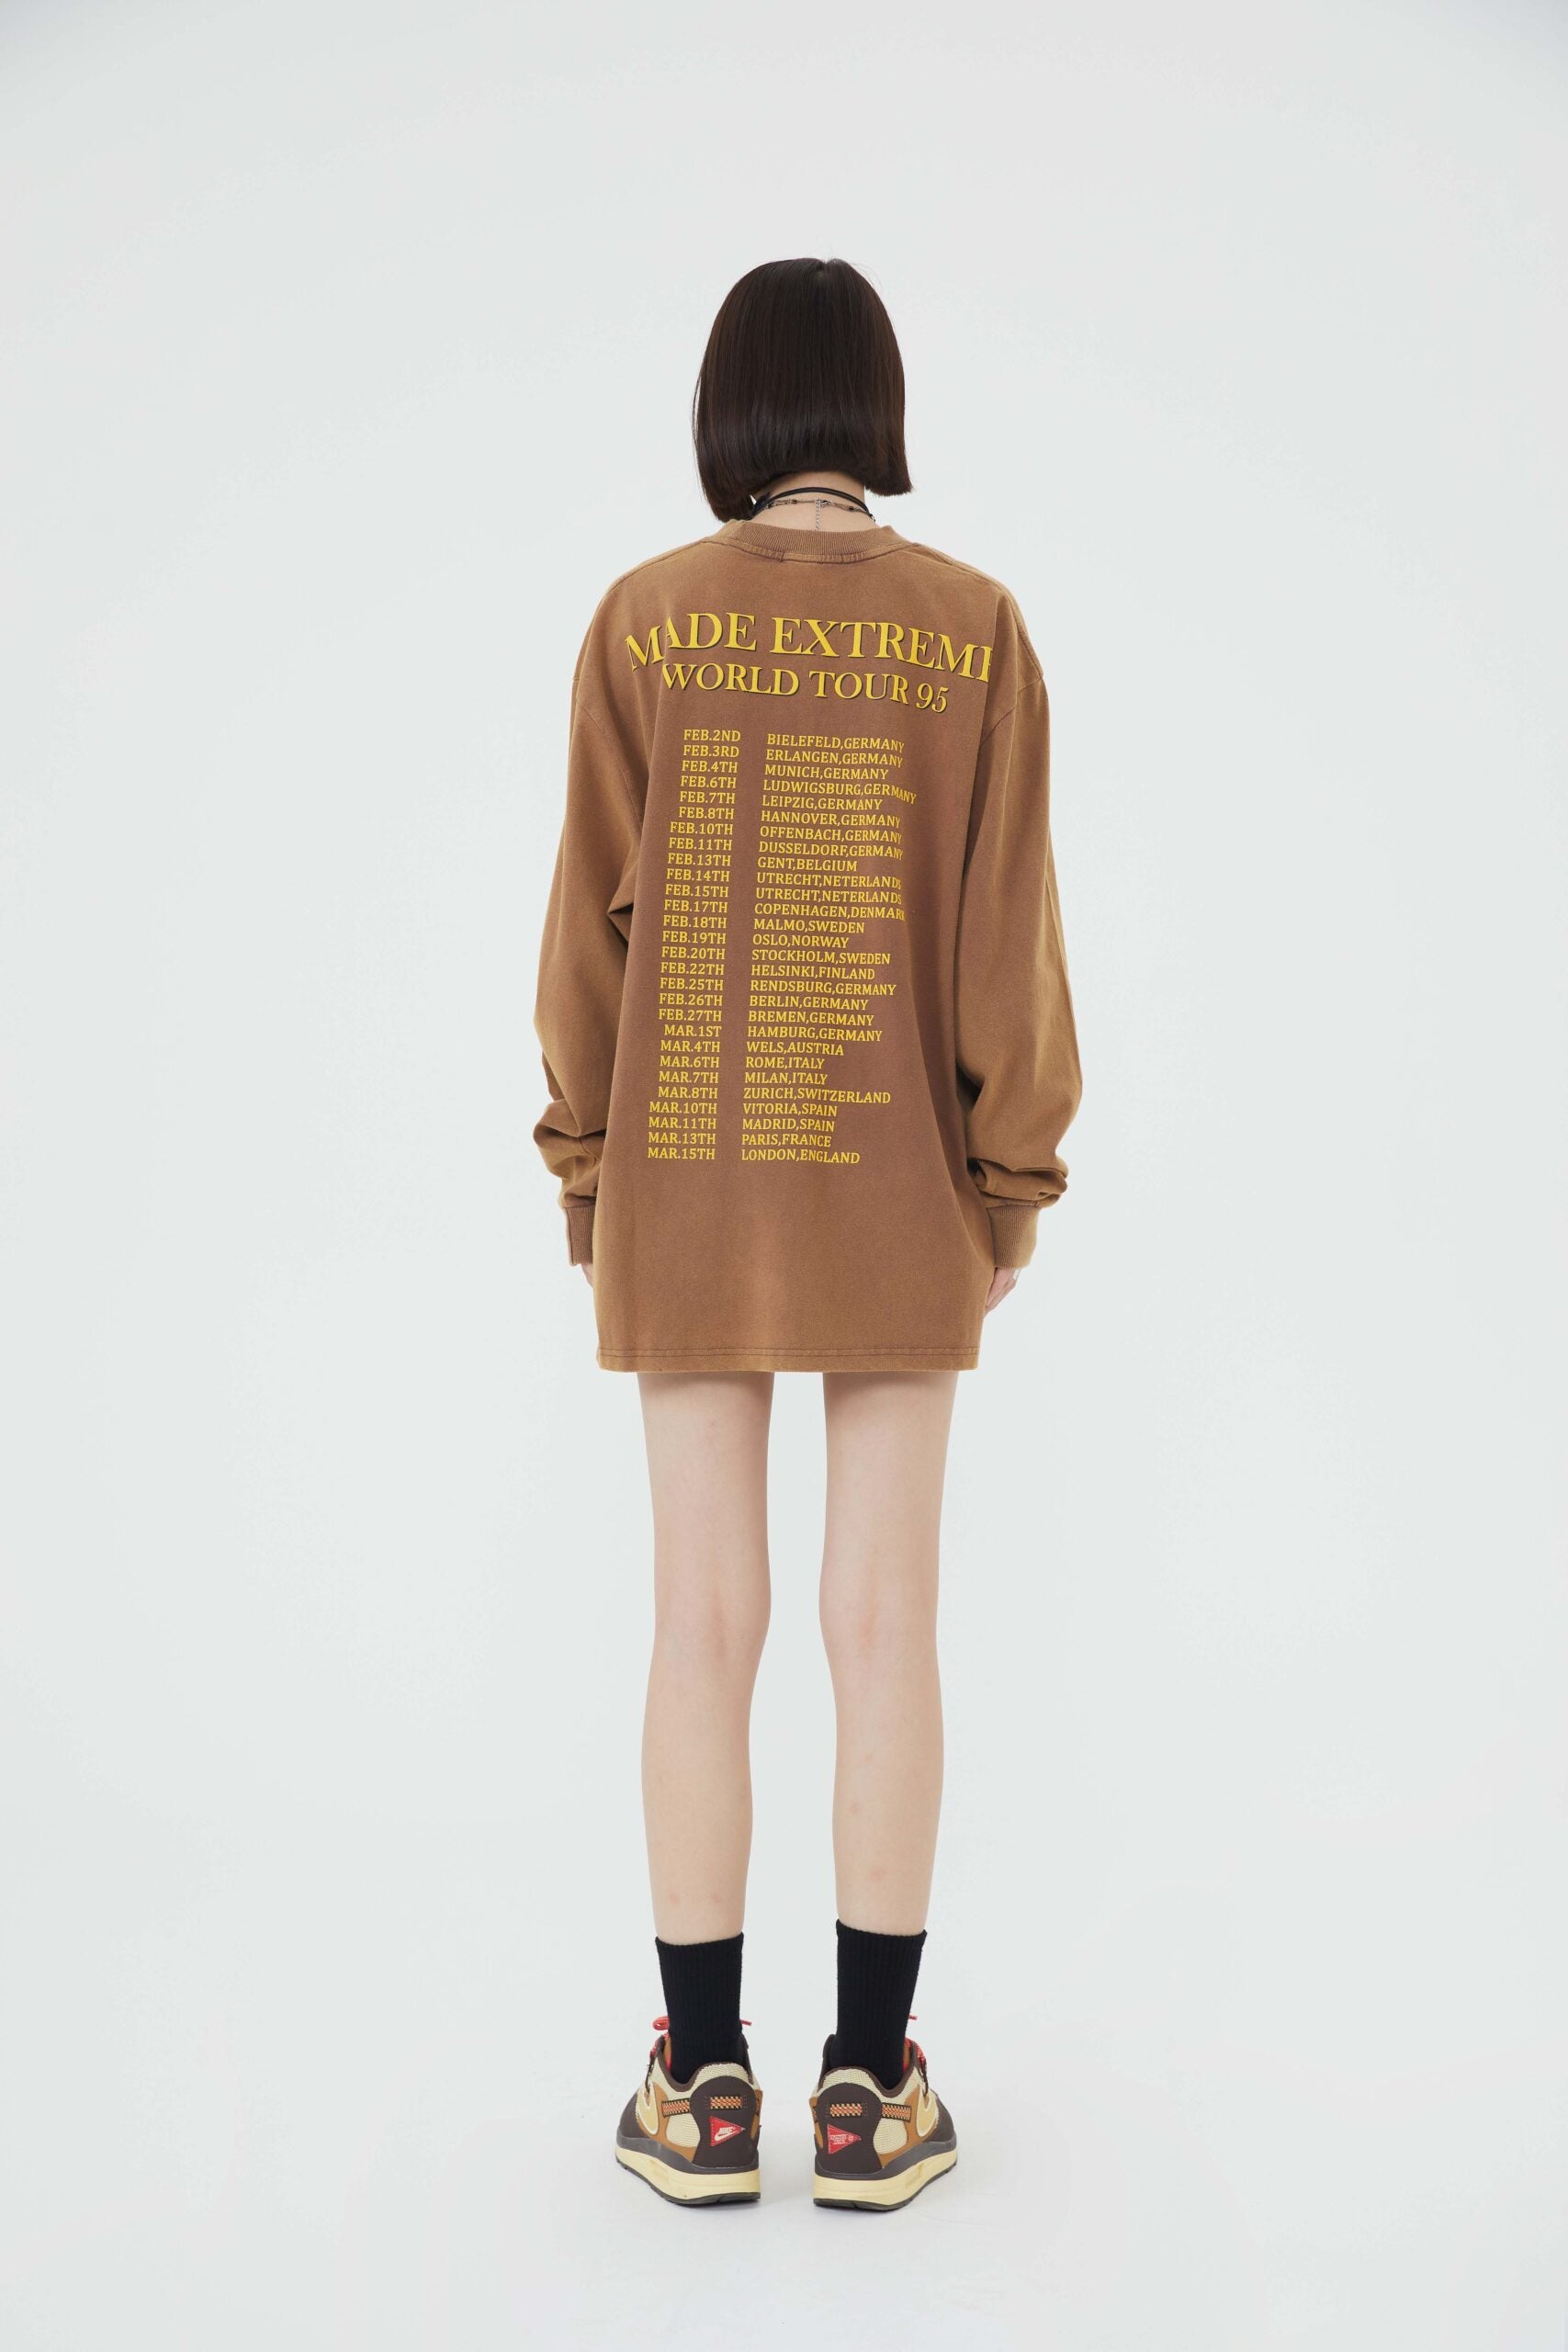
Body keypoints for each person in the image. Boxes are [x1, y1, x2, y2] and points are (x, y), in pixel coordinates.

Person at [532, 256, 1082, 2211]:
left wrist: (587, 1168)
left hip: (685, 1176)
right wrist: (1008, 1180)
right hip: (897, 1182)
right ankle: (866, 2089)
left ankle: (702, 2087)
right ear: (874, 404)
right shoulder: (974, 630)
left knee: (702, 1615)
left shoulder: (644, 620)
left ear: (733, 413)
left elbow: (586, 934)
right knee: (881, 1618)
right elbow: (1004, 943)